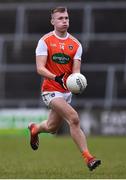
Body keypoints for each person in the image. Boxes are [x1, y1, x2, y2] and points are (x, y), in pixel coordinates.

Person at [28, 6, 101, 171]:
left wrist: (77, 83)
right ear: (52, 21)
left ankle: (35, 129)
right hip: (50, 90)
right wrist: (56, 78)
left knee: (52, 127)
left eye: (66, 18)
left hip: (66, 93)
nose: (64, 21)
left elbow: (76, 72)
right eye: (60, 18)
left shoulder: (75, 44)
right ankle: (88, 158)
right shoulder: (45, 41)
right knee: (74, 118)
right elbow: (40, 68)